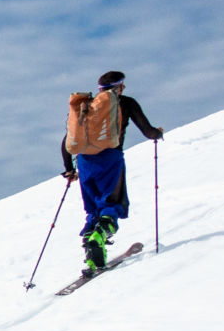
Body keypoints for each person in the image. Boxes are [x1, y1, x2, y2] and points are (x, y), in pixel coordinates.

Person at [62, 71, 164, 271]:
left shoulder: (87, 106)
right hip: (110, 159)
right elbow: (147, 131)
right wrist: (157, 134)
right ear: (120, 86)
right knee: (112, 204)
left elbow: (66, 141)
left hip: (84, 163)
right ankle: (100, 236)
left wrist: (69, 170)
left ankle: (93, 257)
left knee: (93, 209)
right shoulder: (125, 103)